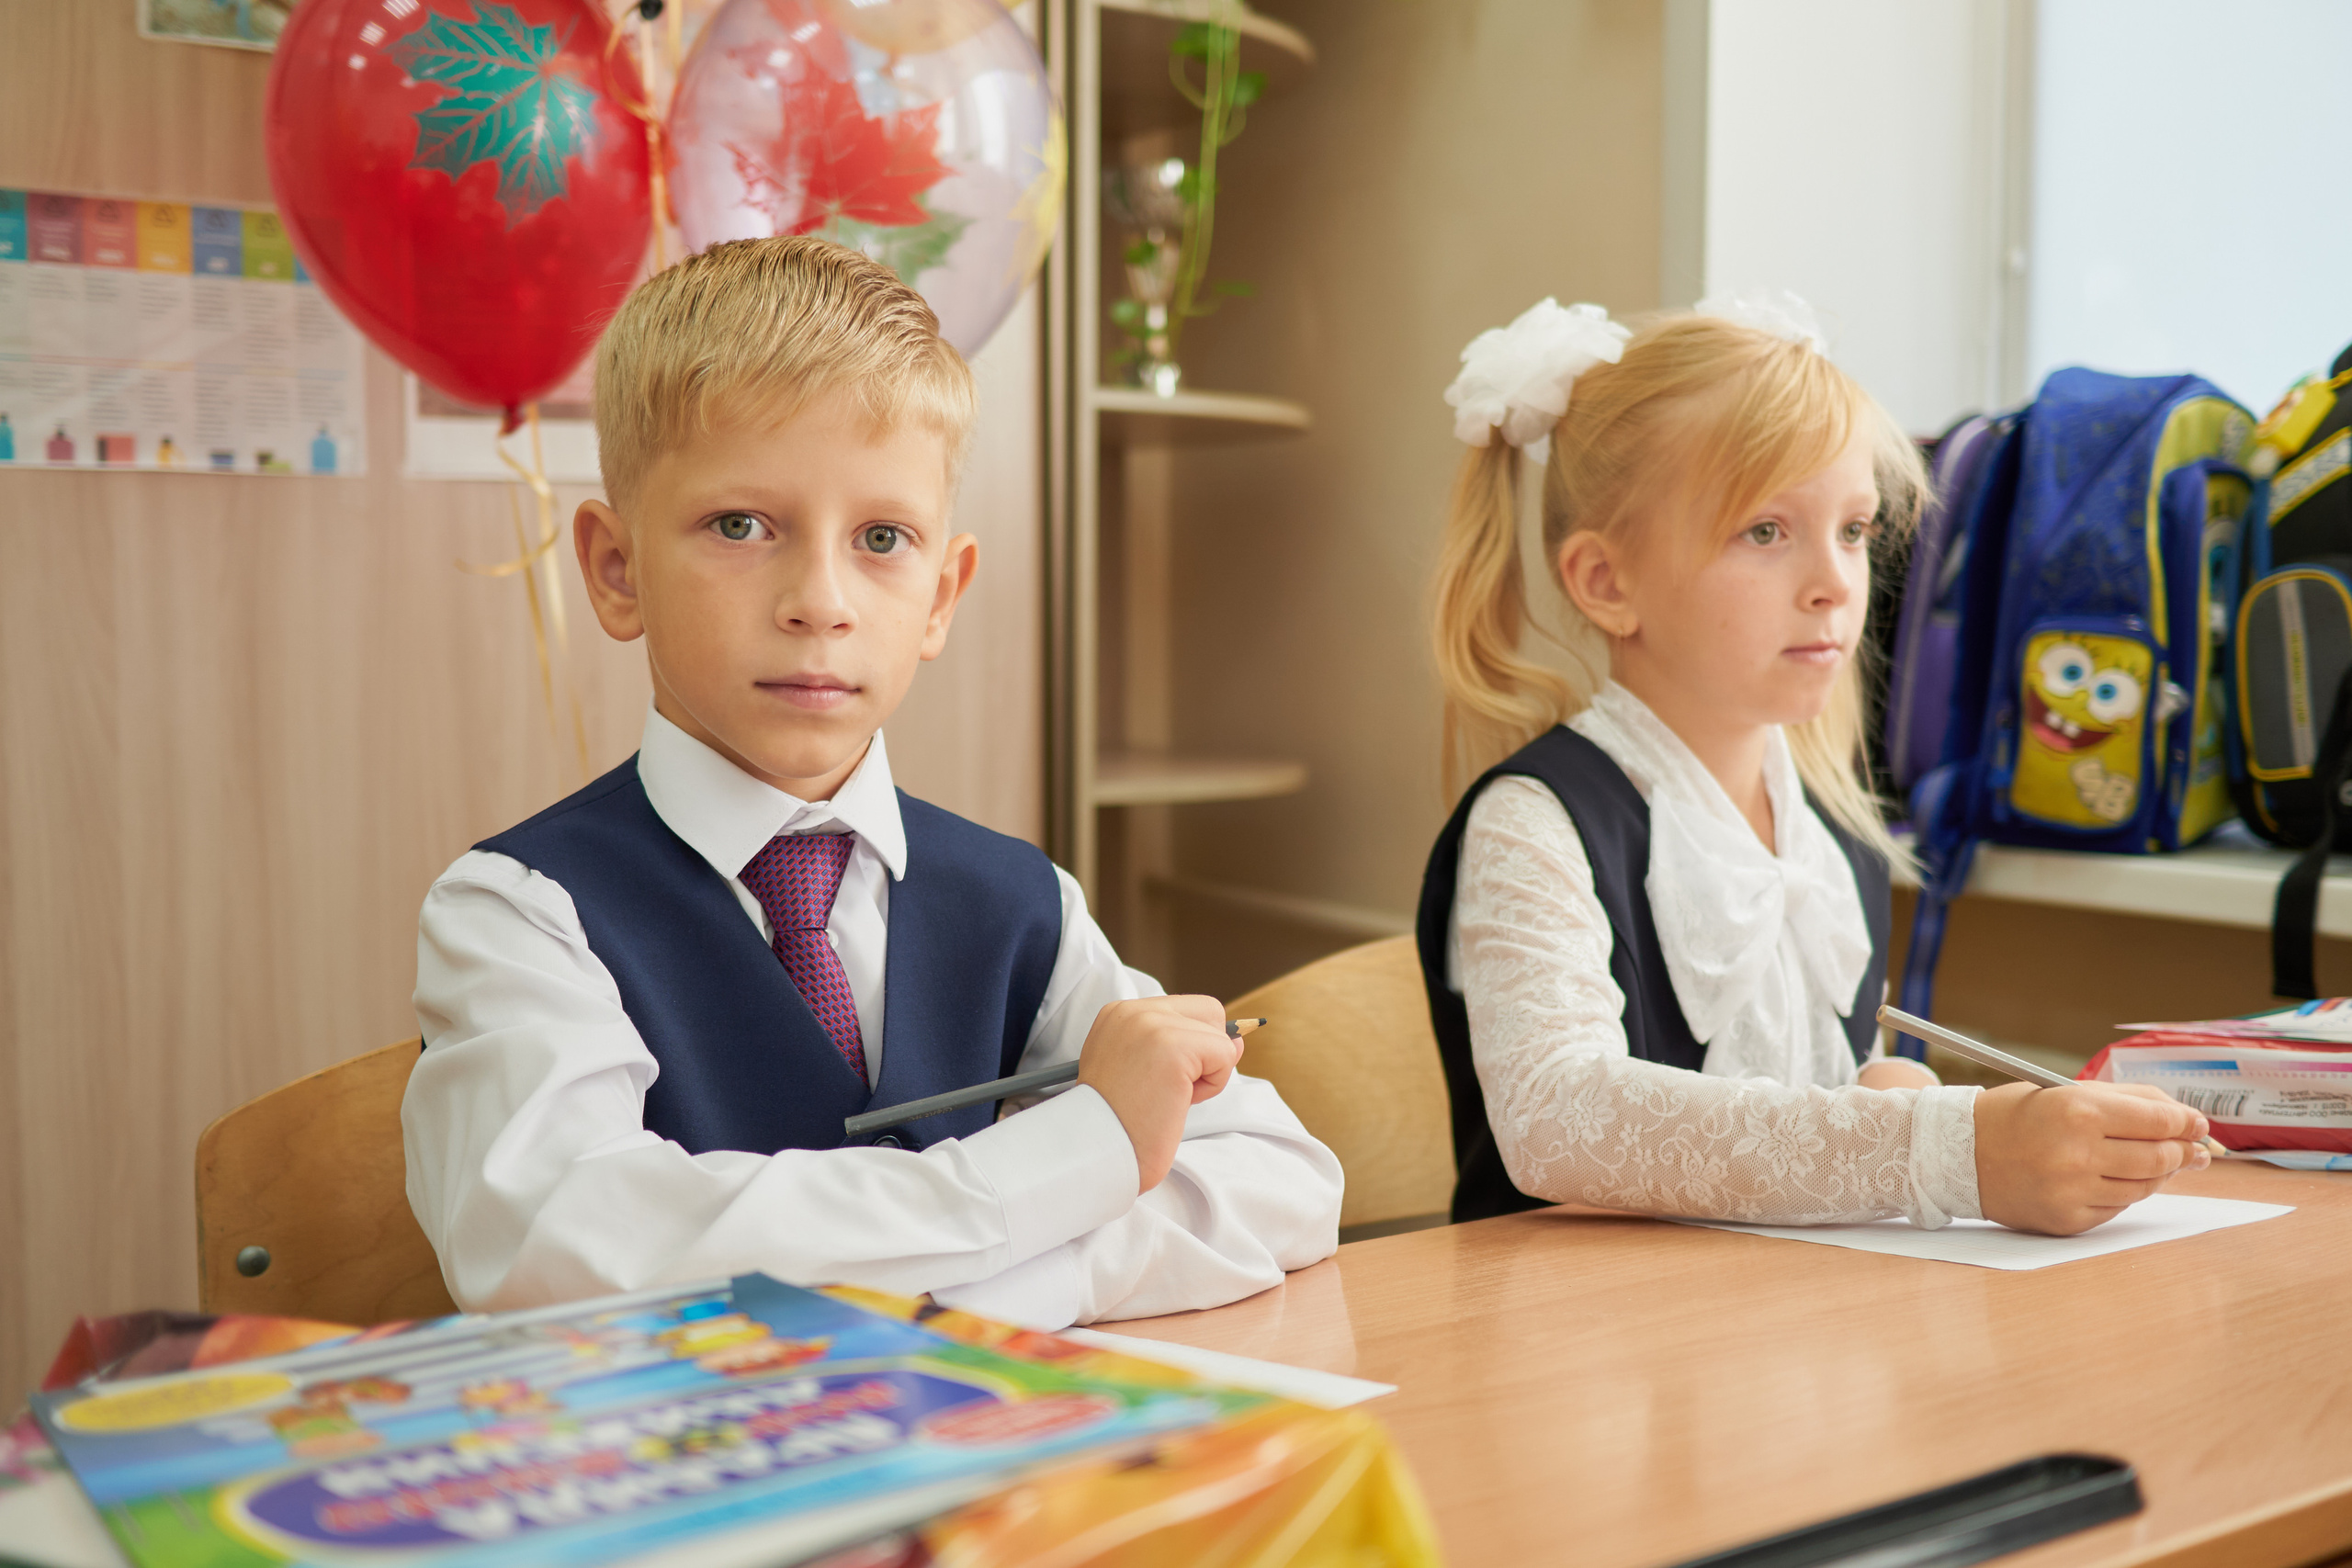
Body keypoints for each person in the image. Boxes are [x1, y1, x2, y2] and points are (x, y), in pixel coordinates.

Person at [406, 236, 1341, 1323]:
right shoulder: (518, 912)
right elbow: (561, 1248)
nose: (820, 601)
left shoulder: (1016, 899)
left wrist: (986, 1290)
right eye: (741, 526)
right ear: (618, 572)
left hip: (997, 1475)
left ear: (942, 597)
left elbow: (1281, 1181)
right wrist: (1082, 1155)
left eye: (882, 537)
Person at [1419, 295, 2212, 1237]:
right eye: (1765, 531)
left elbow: (1798, 1136)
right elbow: (1559, 1119)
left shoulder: (1833, 839)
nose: (1836, 583)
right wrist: (1948, 1149)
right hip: (1583, 1352)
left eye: (1854, 530)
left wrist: (1878, 1091)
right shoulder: (1535, 822)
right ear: (1606, 582)